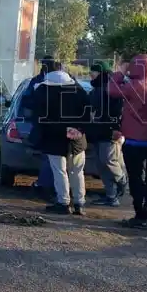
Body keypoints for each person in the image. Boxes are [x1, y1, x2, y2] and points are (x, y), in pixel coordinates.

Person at [108, 55, 147, 229]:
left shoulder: (133, 87)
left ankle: (140, 215)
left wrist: (120, 72)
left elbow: (111, 90)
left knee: (136, 179)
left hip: (134, 140)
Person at [31, 65, 92, 214]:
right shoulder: (78, 89)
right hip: (77, 137)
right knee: (77, 171)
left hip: (54, 138)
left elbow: (38, 116)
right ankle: (79, 203)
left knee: (60, 171)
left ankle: (63, 202)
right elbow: (88, 113)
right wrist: (79, 129)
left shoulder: (43, 90)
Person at [87, 61, 128, 207]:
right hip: (97, 131)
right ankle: (111, 196)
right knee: (101, 165)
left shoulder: (112, 89)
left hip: (110, 132)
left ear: (101, 72)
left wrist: (117, 128)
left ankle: (122, 180)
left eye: (93, 71)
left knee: (108, 161)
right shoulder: (96, 90)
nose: (90, 74)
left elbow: (120, 110)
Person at [22, 56, 57, 199]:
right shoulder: (64, 81)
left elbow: (27, 100)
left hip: (42, 124)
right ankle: (49, 185)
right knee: (52, 158)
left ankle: (45, 185)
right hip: (56, 125)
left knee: (48, 157)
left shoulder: (37, 81)